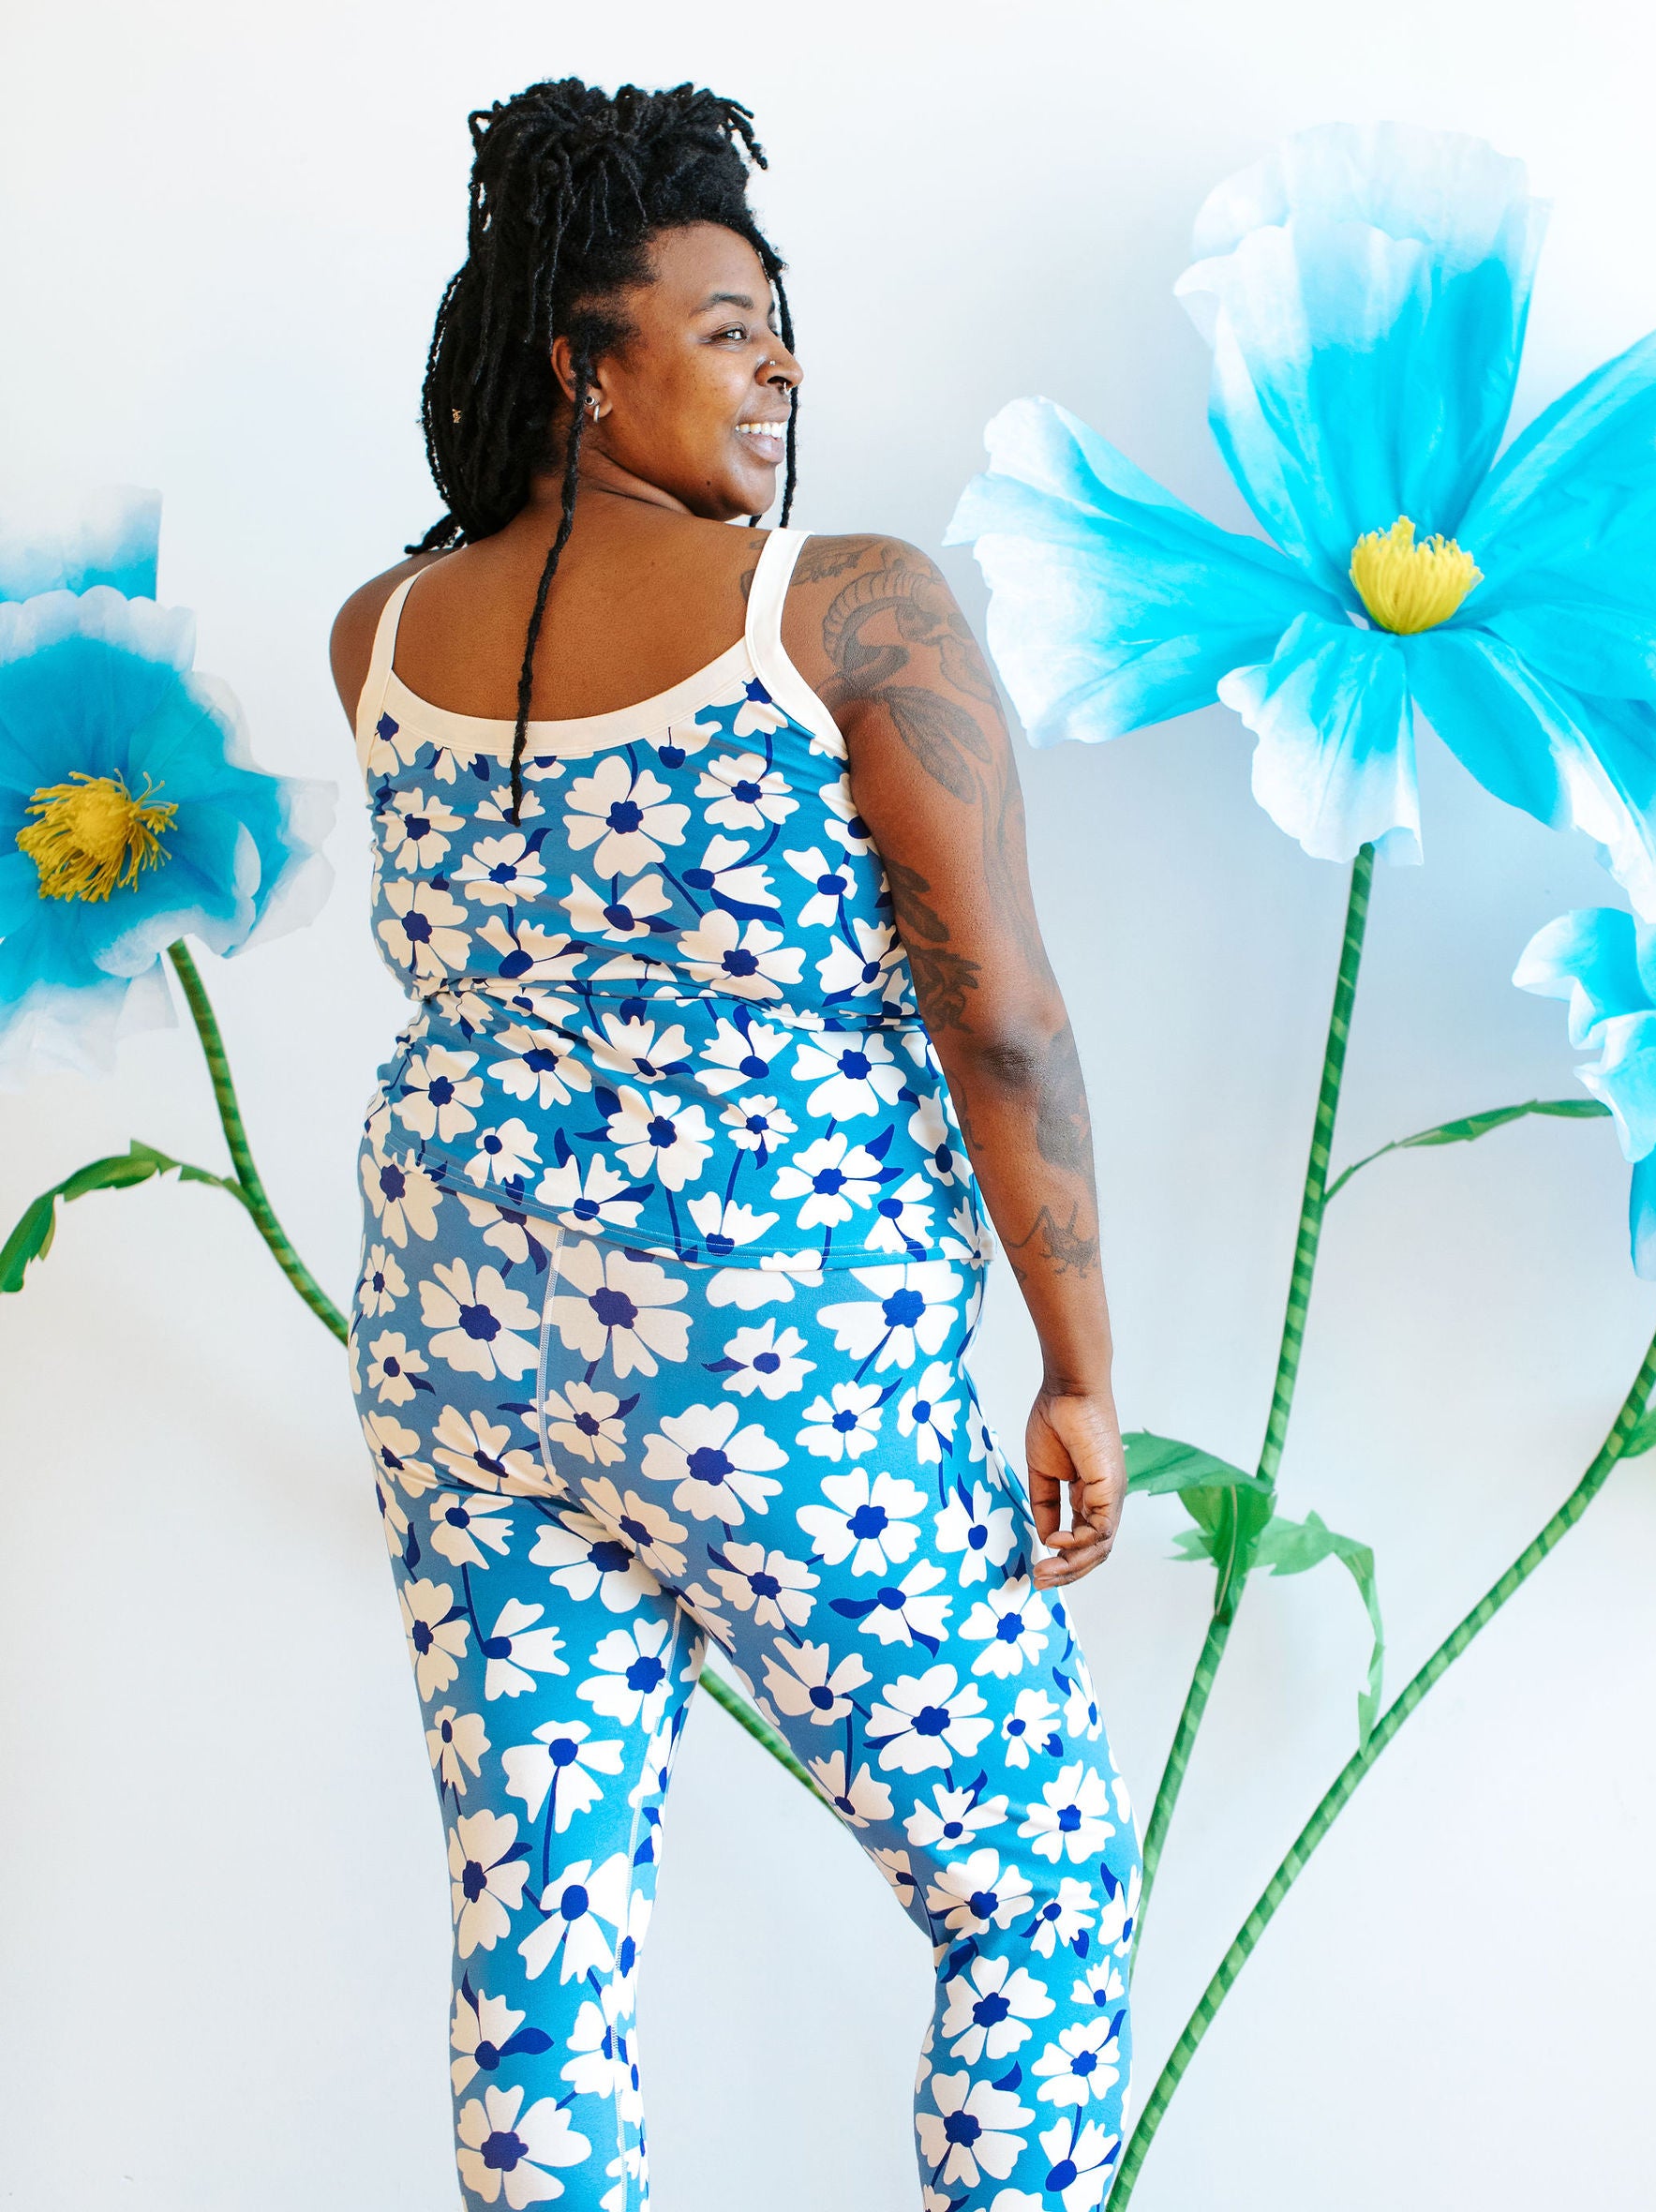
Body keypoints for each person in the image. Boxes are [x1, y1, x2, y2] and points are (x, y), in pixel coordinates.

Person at [330, 77, 1137, 2212]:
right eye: (717, 323)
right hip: (761, 1366)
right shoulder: (849, 609)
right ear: (580, 367)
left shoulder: (381, 643)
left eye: (779, 326)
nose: (777, 363)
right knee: (1033, 1894)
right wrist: (1076, 1360)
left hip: (460, 1353)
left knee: (540, 1967)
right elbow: (1005, 1016)